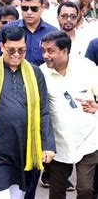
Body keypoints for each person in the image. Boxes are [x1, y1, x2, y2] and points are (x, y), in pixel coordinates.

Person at [0, 25, 56, 198]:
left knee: (16, 195)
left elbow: (43, 111)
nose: (17, 55)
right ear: (2, 46)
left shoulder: (35, 73)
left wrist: (48, 145)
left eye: (21, 50)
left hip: (23, 150)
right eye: (11, 50)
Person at [39, 31, 98, 199]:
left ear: (65, 51)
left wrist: (97, 106)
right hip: (58, 144)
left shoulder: (86, 67)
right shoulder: (42, 74)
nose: (45, 55)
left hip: (88, 140)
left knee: (86, 189)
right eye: (43, 50)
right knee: (56, 192)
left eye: (50, 51)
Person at [0, 0, 58, 66]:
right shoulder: (7, 29)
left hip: (43, 76)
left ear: (42, 8)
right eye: (25, 8)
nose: (29, 12)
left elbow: (57, 62)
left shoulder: (52, 32)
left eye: (34, 9)